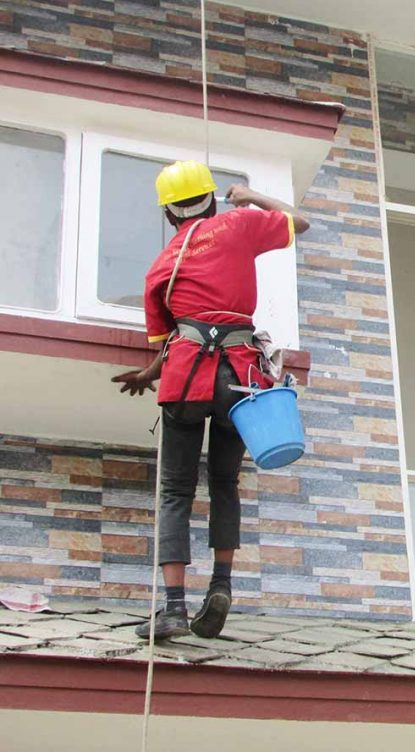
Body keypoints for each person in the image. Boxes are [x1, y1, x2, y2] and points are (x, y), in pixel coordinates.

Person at [112, 160, 310, 640]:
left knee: (176, 490)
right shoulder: (239, 223)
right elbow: (299, 222)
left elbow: (168, 338)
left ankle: (174, 608)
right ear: (213, 198)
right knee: (225, 483)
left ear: (168, 214)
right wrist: (252, 195)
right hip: (239, 379)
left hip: (185, 377)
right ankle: (220, 585)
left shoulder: (161, 265)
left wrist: (147, 375)